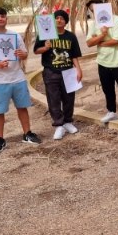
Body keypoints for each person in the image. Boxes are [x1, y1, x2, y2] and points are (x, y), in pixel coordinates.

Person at [0, 7, 42, 153]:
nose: (0, 18)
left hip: (17, 77)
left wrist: (21, 54)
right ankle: (0, 139)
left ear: (6, 18)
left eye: (2, 16)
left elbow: (25, 54)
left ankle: (27, 133)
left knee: (22, 107)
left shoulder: (15, 36)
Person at [33, 9, 83, 140]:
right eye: (56, 18)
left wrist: (78, 69)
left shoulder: (71, 36)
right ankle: (59, 125)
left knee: (69, 98)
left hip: (68, 72)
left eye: (62, 18)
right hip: (51, 71)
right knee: (53, 99)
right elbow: (36, 51)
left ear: (66, 21)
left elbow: (74, 55)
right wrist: (45, 48)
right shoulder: (45, 34)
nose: (59, 20)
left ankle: (68, 121)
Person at [85, 0, 118, 124]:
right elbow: (89, 43)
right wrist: (102, 35)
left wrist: (99, 42)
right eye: (92, 10)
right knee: (107, 88)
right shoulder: (94, 24)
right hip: (102, 61)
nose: (94, 11)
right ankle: (111, 111)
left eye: (96, 8)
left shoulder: (116, 20)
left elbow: (116, 41)